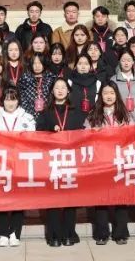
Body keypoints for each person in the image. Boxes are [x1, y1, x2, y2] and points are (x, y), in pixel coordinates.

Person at [0, 88, 34, 246]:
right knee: (1, 198)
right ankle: (3, 233)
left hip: (20, 163)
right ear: (2, 101)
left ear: (18, 101)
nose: (10, 103)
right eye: (7, 99)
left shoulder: (27, 117)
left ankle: (15, 233)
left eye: (13, 99)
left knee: (19, 199)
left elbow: (33, 137)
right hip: (0, 163)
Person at [37, 78, 85, 246]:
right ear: (52, 91)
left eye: (63, 87)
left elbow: (83, 133)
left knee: (71, 198)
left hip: (71, 159)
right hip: (52, 160)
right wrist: (51, 131)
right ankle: (54, 234)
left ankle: (69, 233)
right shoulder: (45, 112)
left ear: (68, 91)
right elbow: (38, 133)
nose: (60, 90)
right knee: (53, 198)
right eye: (57, 87)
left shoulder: (76, 111)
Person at [85, 82, 133, 245]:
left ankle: (121, 233)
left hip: (121, 161)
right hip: (101, 162)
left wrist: (125, 132)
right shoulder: (93, 115)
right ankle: (101, 233)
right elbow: (84, 136)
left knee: (121, 198)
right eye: (105, 93)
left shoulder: (125, 115)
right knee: (101, 199)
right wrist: (93, 133)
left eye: (112, 92)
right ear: (101, 96)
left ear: (116, 95)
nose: (109, 96)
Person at [111, 50, 135, 120]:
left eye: (129, 60)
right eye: (123, 60)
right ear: (119, 62)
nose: (126, 63)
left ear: (133, 62)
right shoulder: (113, 80)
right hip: (120, 118)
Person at [19, 51, 56, 116]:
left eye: (39, 63)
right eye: (34, 63)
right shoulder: (25, 79)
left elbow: (54, 97)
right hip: (28, 115)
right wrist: (31, 112)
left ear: (44, 64)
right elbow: (22, 98)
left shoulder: (51, 78)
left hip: (48, 114)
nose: (37, 66)